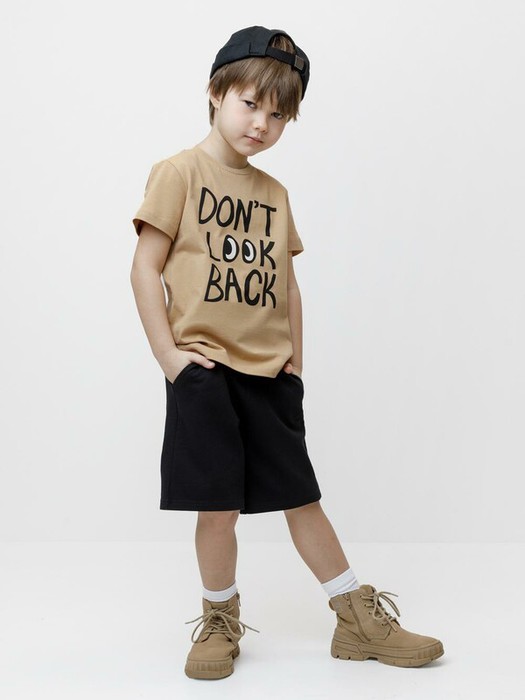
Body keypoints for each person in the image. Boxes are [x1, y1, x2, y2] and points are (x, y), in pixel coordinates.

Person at [130, 25, 444, 681]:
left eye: (278, 115)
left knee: (301, 496)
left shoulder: (274, 194)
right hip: (204, 369)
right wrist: (169, 358)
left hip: (270, 372)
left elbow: (287, 283)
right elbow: (144, 267)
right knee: (217, 506)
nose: (262, 124)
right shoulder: (178, 173)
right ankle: (219, 618)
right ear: (215, 93)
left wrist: (295, 360)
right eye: (250, 104)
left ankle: (355, 619)